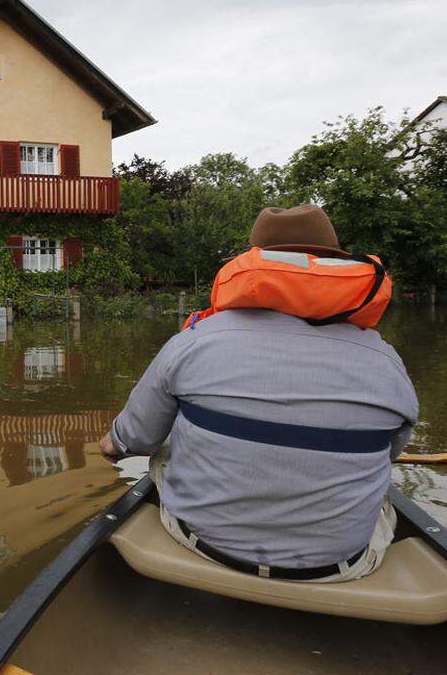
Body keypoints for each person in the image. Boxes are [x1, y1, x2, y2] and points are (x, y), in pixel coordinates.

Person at [98, 205, 418, 582]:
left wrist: (112, 444)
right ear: (334, 264)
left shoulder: (195, 341)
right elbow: (391, 453)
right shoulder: (385, 359)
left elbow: (129, 441)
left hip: (205, 545)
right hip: (339, 566)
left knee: (165, 447)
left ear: (252, 261)